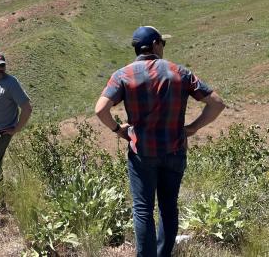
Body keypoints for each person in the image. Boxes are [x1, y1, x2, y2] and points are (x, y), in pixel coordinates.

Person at [95, 26, 225, 257]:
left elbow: (101, 109)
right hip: (174, 150)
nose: (163, 47)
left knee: (143, 210)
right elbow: (216, 103)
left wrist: (118, 130)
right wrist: (192, 128)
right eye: (162, 43)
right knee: (168, 207)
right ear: (155, 44)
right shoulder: (179, 72)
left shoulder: (123, 75)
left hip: (142, 153)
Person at [0, 51, 32, 179]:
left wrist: (16, 129)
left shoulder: (12, 83)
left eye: (2, 65)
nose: (0, 69)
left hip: (1, 132)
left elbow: (27, 109)